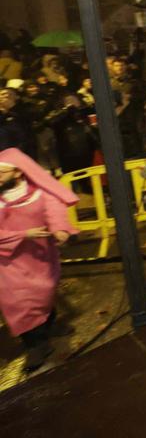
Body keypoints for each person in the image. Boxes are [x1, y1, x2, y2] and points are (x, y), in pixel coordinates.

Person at [0, 148, 79, 371]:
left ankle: (47, 325)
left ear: (17, 173)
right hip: (8, 263)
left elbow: (54, 212)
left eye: (1, 174)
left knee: (43, 294)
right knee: (17, 304)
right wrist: (23, 234)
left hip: (40, 258)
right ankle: (36, 346)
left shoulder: (40, 193)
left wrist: (61, 230)